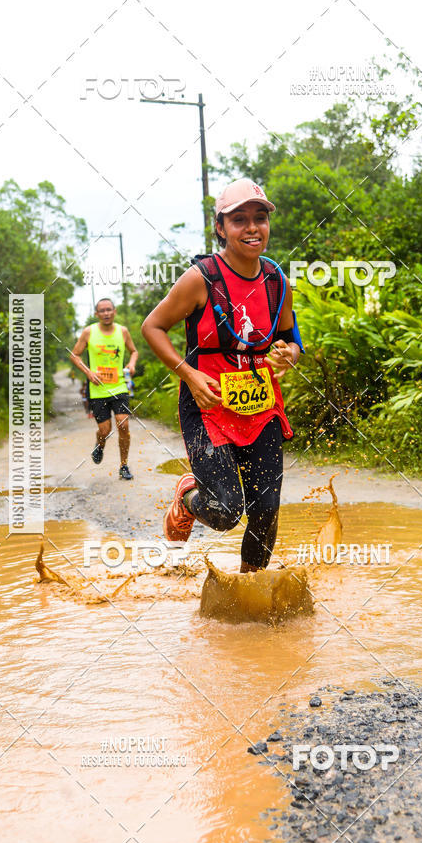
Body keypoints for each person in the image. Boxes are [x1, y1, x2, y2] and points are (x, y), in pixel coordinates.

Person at [141, 178, 303, 572]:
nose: (252, 228)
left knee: (266, 509)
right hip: (208, 405)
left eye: (259, 218)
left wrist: (290, 354)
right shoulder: (201, 278)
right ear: (220, 228)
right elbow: (152, 327)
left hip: (259, 404)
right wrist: (189, 375)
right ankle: (186, 497)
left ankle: (250, 590)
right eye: (239, 220)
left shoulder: (276, 281)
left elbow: (289, 337)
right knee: (227, 510)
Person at [70, 297, 138, 480]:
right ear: (96, 314)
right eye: (102, 310)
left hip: (119, 387)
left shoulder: (122, 332)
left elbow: (134, 351)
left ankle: (124, 465)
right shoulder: (88, 332)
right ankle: (100, 444)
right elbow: (75, 355)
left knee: (123, 424)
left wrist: (132, 363)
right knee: (105, 430)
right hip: (98, 390)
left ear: (114, 311)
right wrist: (88, 373)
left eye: (109, 310)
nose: (106, 313)